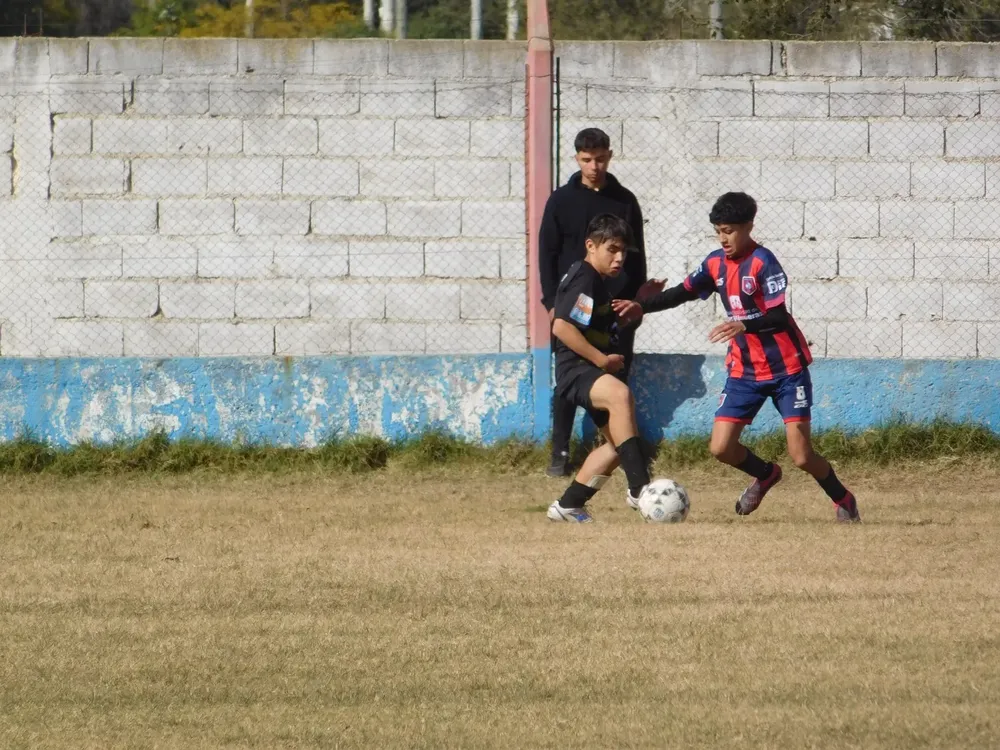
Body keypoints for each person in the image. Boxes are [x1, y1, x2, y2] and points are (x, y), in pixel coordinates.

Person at [615, 192, 861, 523]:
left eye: (729, 231)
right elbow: (683, 292)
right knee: (721, 448)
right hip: (745, 371)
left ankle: (843, 498)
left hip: (787, 370)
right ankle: (766, 474)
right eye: (718, 231)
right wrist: (641, 305)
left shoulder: (763, 261)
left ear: (748, 226)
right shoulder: (714, 263)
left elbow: (778, 316)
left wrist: (743, 324)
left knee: (802, 456)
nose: (723, 238)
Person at [539, 127, 647, 477]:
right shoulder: (560, 200)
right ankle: (560, 452)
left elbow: (636, 254)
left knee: (616, 376)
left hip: (614, 308)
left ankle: (619, 450)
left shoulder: (624, 200)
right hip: (573, 309)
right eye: (587, 160)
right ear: (577, 159)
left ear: (609, 156)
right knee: (569, 378)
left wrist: (635, 301)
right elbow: (546, 253)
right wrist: (551, 302)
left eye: (600, 159)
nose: (594, 166)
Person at [547, 213, 651, 523]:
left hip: (588, 370)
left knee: (618, 446)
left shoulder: (594, 281)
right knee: (620, 396)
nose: (619, 258)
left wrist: (634, 307)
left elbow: (589, 324)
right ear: (590, 246)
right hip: (577, 370)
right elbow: (562, 327)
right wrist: (602, 360)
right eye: (612, 249)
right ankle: (640, 489)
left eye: (623, 252)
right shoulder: (585, 277)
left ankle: (568, 506)